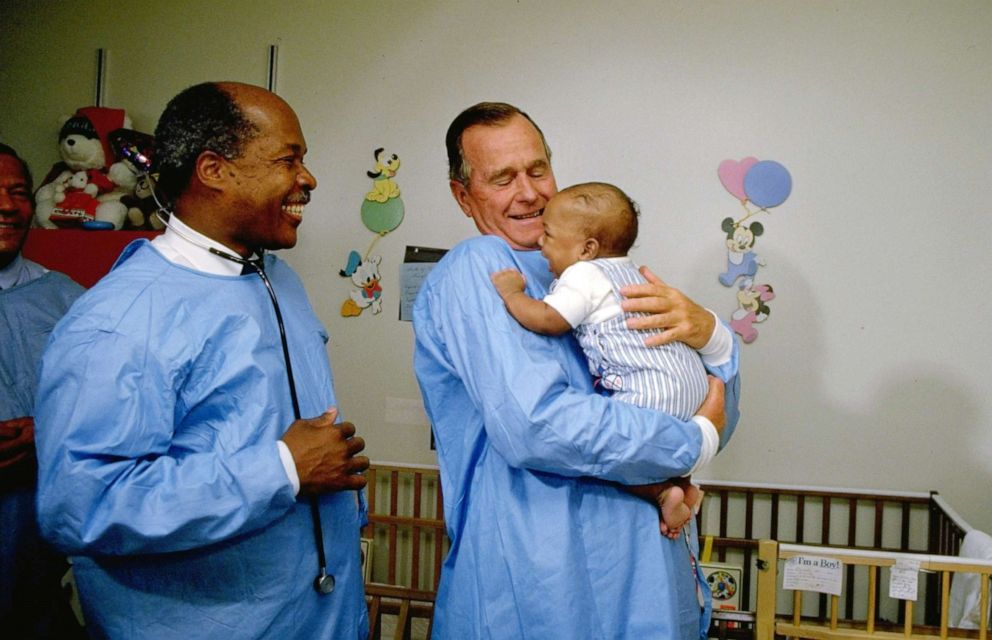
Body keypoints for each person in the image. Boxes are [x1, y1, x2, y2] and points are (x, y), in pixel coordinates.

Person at [33, 82, 370, 639]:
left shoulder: (277, 280)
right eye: (289, 160)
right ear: (213, 170)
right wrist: (283, 469)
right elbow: (81, 505)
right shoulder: (118, 320)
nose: (307, 179)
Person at [413, 102, 741, 639]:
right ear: (463, 195)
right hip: (545, 583)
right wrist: (689, 443)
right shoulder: (480, 268)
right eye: (502, 178)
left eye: (537, 170)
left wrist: (713, 336)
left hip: (647, 573)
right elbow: (537, 425)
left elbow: (711, 406)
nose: (529, 193)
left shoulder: (596, 274)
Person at [491, 181, 738, 540]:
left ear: (587, 249)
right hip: (689, 385)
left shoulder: (583, 274)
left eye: (548, 234)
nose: (540, 243)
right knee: (646, 446)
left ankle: (663, 491)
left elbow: (548, 319)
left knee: (598, 456)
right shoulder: (627, 270)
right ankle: (683, 486)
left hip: (650, 389)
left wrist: (512, 293)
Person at [0, 143, 86, 639]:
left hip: (39, 557)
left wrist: (46, 431)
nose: (8, 206)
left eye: (18, 192)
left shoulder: (67, 300)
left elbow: (111, 408)